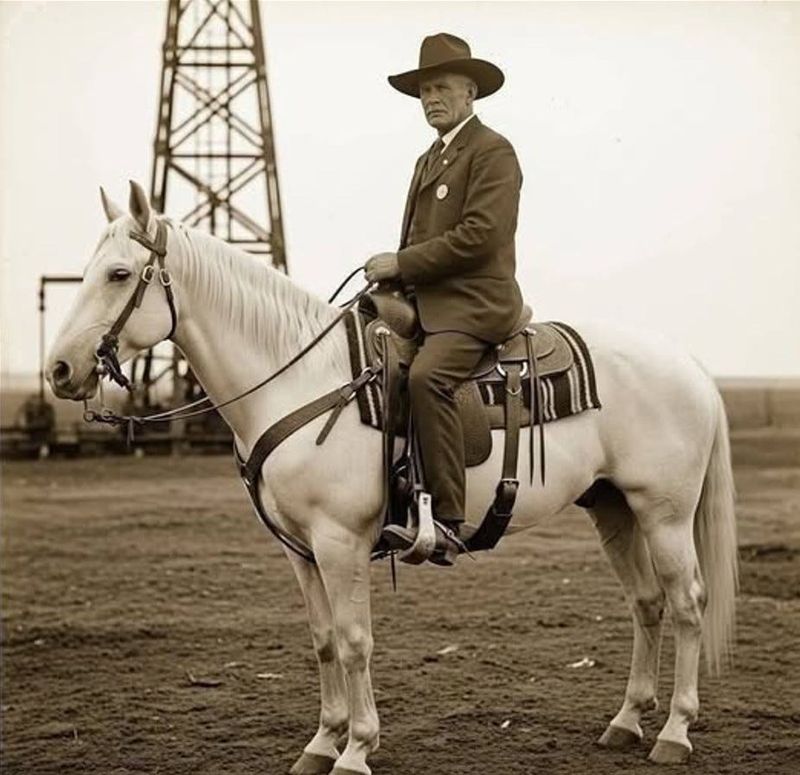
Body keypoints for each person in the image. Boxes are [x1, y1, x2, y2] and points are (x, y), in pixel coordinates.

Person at [365, 32, 524, 566]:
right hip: (428, 303)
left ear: (470, 92)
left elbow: (482, 234)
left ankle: (448, 523)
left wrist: (402, 263)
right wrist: (391, 281)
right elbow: (416, 239)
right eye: (425, 90)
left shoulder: (492, 150)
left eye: (442, 88)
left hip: (475, 305)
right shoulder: (428, 158)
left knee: (427, 377)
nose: (431, 98)